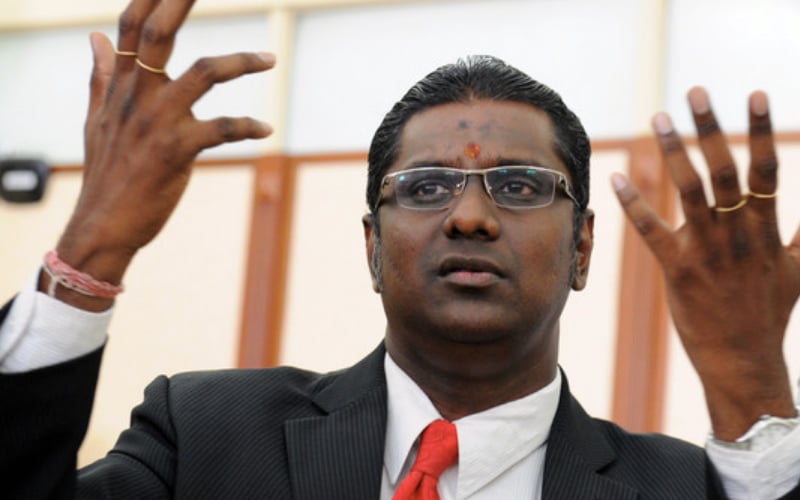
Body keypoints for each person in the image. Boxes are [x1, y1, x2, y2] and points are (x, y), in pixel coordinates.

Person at [2, 0, 799, 498]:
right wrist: (87, 255)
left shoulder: (683, 487)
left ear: (583, 247)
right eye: (425, 187)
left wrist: (752, 384)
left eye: (520, 186)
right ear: (372, 247)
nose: (471, 218)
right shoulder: (205, 437)